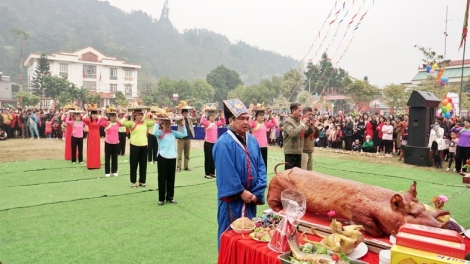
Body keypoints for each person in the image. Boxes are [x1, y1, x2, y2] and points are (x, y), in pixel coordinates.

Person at [213, 98, 267, 250]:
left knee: (249, 239)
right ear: (230, 120)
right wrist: (241, 192)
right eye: (241, 119)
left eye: (247, 119)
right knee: (230, 239)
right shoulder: (223, 143)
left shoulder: (253, 141)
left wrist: (257, 192)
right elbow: (226, 172)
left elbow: (261, 167)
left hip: (250, 200)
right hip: (233, 202)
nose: (245, 122)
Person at [153, 116, 187, 206]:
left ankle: (170, 197)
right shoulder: (160, 133)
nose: (168, 125)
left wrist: (182, 124)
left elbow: (184, 134)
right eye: (166, 123)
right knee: (162, 178)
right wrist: (158, 122)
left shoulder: (173, 133)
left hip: (172, 158)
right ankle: (161, 199)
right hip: (162, 157)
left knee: (171, 178)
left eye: (169, 123)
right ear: (162, 125)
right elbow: (154, 132)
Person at [120, 108, 155, 188]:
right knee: (134, 164)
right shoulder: (131, 123)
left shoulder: (145, 123)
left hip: (144, 146)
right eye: (138, 115)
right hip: (134, 146)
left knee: (143, 165)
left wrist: (149, 115)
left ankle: (142, 181)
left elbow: (153, 122)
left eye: (141, 115)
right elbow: (122, 122)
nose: (140, 116)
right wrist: (127, 114)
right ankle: (133, 182)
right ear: (134, 116)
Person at [200, 109, 225, 179]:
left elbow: (223, 122)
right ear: (209, 117)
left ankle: (212, 172)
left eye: (214, 116)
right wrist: (204, 113)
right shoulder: (207, 123)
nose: (213, 117)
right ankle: (207, 173)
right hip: (208, 143)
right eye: (212, 116)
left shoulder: (216, 123)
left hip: (215, 143)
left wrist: (221, 115)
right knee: (208, 158)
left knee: (213, 158)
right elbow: (201, 121)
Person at [283, 103, 308, 170]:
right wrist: (302, 124)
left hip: (298, 151)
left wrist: (310, 126)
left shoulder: (299, 121)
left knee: (297, 174)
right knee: (289, 174)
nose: (301, 113)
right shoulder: (288, 121)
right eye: (299, 111)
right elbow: (293, 133)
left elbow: (305, 134)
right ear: (293, 111)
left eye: (301, 111)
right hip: (291, 152)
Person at [98, 106, 121, 177]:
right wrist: (102, 116)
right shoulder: (106, 123)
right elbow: (99, 123)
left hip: (116, 143)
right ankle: (107, 172)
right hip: (108, 142)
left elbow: (124, 122)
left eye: (115, 116)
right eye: (112, 116)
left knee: (115, 157)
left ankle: (114, 171)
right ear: (109, 117)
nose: (114, 117)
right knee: (107, 157)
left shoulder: (118, 123)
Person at [176, 107, 199, 172]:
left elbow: (197, 118)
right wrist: (180, 116)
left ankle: (186, 166)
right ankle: (178, 167)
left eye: (186, 113)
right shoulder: (179, 119)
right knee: (179, 154)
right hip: (181, 138)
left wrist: (195, 111)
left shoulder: (189, 119)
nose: (185, 114)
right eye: (184, 113)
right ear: (182, 113)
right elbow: (176, 120)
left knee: (187, 154)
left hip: (188, 138)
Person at [82, 104, 101, 169]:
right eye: (93, 114)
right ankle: (91, 164)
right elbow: (83, 118)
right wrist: (87, 112)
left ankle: (96, 164)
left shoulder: (98, 120)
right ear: (91, 115)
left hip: (97, 137)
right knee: (91, 149)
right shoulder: (89, 120)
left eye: (96, 114)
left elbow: (106, 119)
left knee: (96, 150)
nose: (94, 115)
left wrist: (102, 114)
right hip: (91, 137)